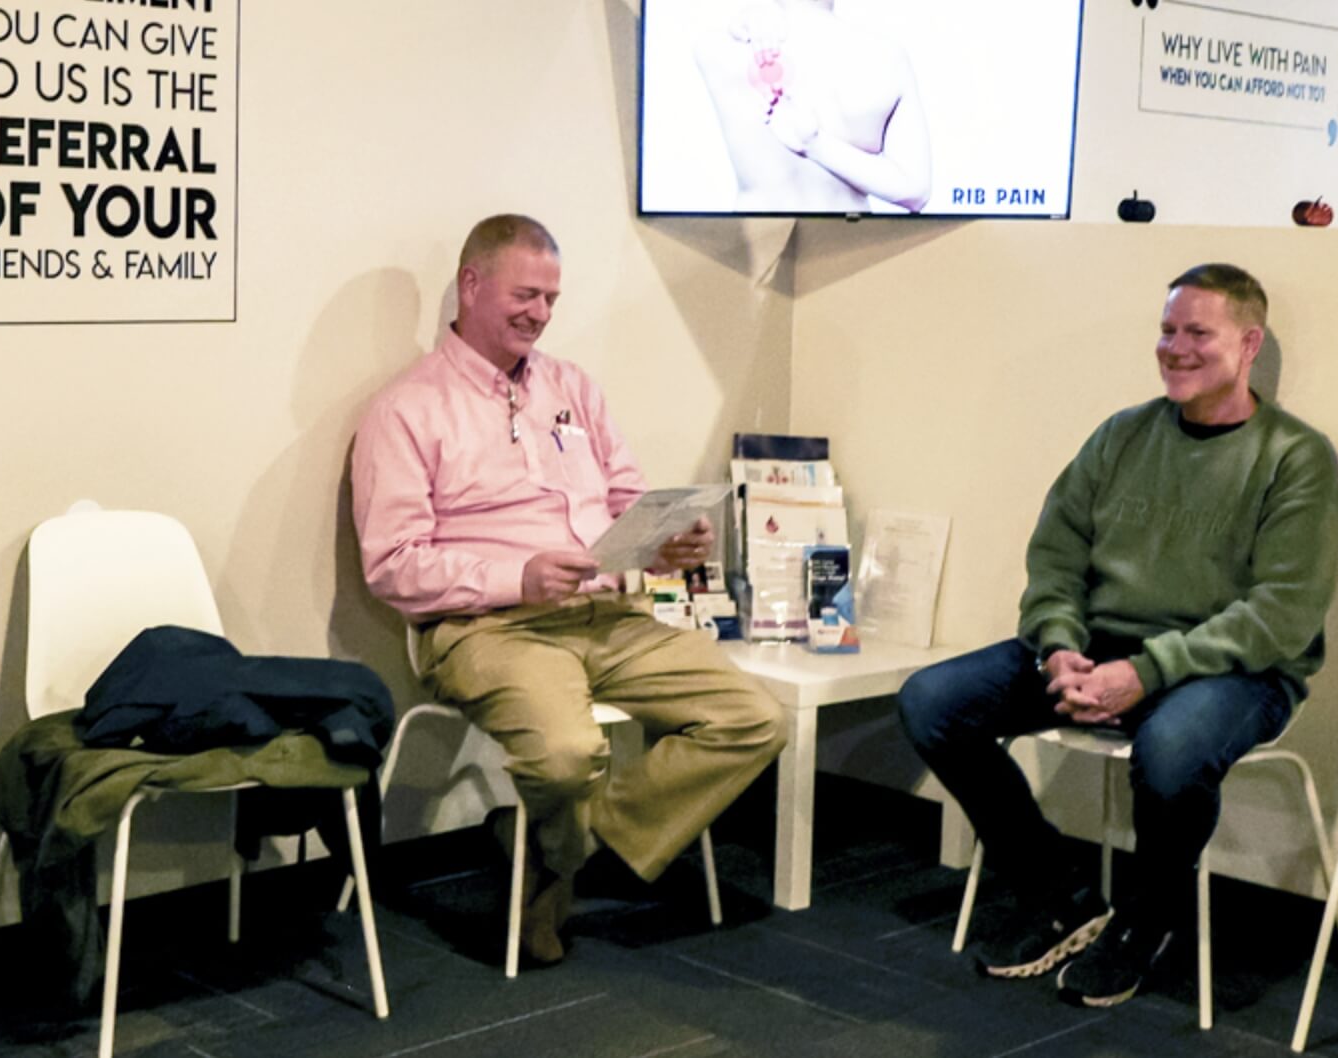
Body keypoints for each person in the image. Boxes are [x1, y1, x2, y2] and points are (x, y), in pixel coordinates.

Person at [894, 263, 1338, 1008]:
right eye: (1167, 331)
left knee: (1171, 752)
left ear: (1249, 343)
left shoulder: (1293, 455)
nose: (1175, 347)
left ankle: (1145, 924)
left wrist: (1146, 671)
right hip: (1101, 649)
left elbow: (1281, 613)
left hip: (1236, 673)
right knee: (931, 701)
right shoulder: (1122, 435)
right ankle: (1060, 895)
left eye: (1198, 332)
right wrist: (1059, 647)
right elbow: (1056, 556)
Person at [349, 214, 785, 965]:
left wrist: (667, 544)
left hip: (608, 614)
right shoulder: (405, 409)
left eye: (552, 298)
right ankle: (559, 863)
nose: (541, 314)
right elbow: (391, 565)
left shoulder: (572, 388)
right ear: (472, 284)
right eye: (526, 295)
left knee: (754, 716)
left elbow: (626, 501)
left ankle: (559, 848)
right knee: (565, 756)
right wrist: (512, 578)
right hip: (487, 630)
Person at [692, 0, 932, 213]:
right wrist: (818, 146)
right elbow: (915, 192)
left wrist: (813, 144)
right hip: (852, 248)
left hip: (757, 249)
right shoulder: (888, 59)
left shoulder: (717, 48)